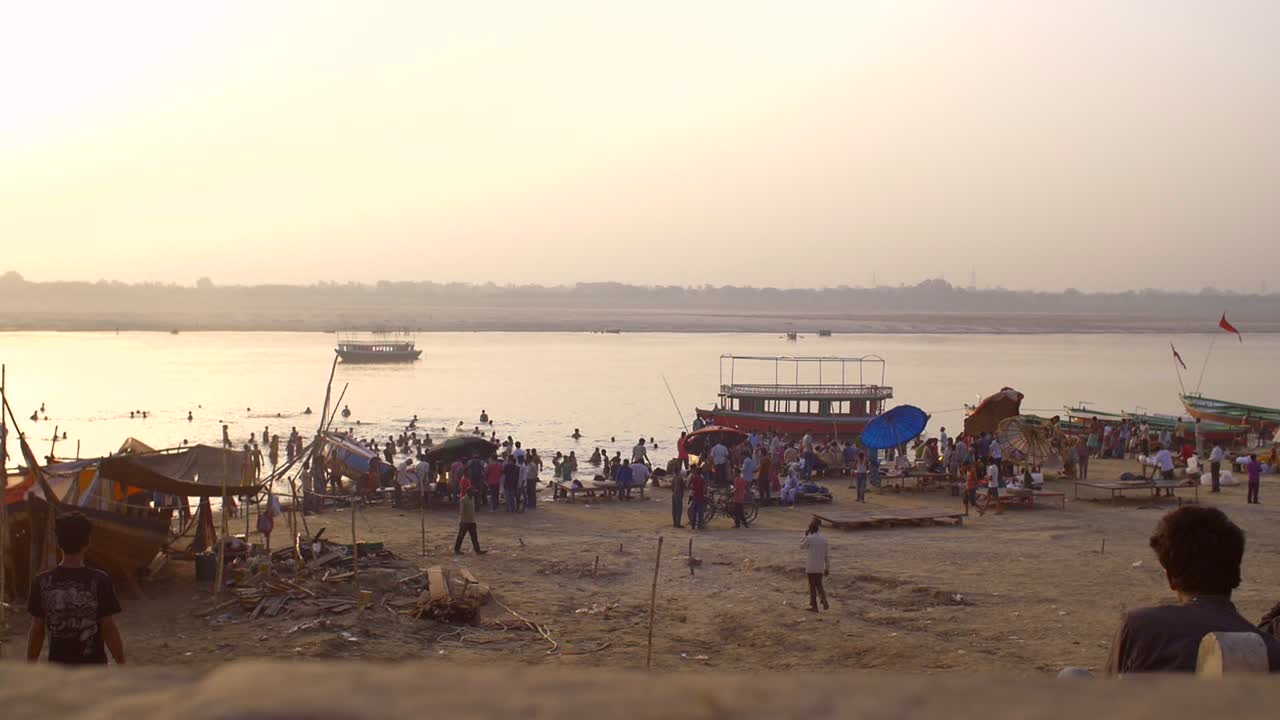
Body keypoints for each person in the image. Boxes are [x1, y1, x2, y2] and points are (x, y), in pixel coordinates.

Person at [1105, 506, 1280, 674]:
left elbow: (1109, 698)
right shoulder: (1269, 649)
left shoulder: (1140, 628)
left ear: (1171, 579)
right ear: (1236, 571)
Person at [27, 513, 125, 665]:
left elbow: (37, 630)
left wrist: (30, 663)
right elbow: (108, 628)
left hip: (58, 671)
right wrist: (121, 661)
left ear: (59, 543)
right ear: (87, 542)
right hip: (94, 670)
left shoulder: (41, 581)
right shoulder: (100, 580)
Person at [800, 518, 830, 612]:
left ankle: (814, 606)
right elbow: (826, 555)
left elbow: (801, 546)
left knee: (812, 587)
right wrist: (827, 568)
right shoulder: (824, 539)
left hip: (811, 566)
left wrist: (806, 536)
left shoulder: (809, 538)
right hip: (820, 566)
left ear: (811, 530)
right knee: (819, 585)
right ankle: (824, 600)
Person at [453, 488, 486, 555]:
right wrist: (461, 522)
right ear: (468, 493)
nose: (474, 493)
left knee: (474, 537)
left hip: (471, 521)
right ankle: (457, 550)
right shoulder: (463, 500)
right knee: (461, 537)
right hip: (465, 522)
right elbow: (461, 512)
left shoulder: (472, 498)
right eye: (472, 492)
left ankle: (477, 550)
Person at [689, 466, 707, 530]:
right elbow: (704, 489)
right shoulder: (702, 479)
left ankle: (693, 526)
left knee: (694, 512)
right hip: (700, 497)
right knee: (700, 513)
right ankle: (700, 526)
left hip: (695, 496)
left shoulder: (694, 478)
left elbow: (690, 486)